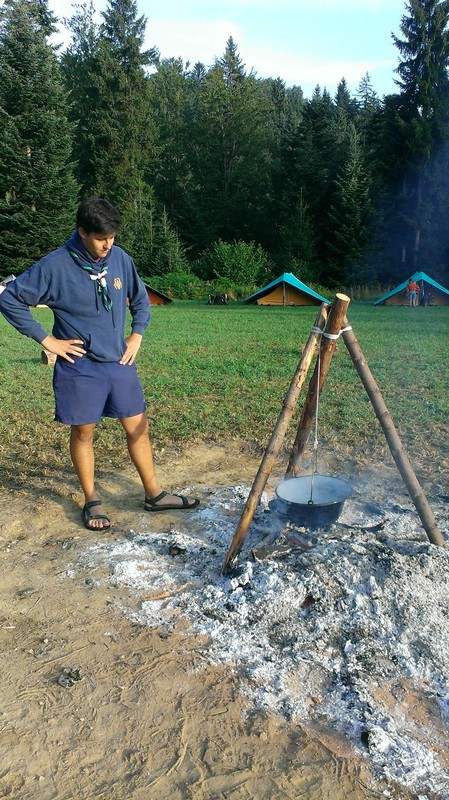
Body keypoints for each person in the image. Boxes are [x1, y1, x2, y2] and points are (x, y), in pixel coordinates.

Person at [0, 197, 200, 530]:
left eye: (112, 237)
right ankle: (92, 499)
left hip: (119, 361)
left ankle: (154, 494)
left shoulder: (120, 259)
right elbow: (10, 299)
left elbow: (140, 300)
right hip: (80, 366)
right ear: (82, 232)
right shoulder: (54, 266)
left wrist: (136, 335)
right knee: (84, 432)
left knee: (138, 426)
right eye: (100, 238)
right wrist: (47, 340)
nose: (108, 245)